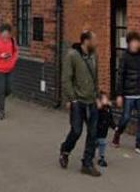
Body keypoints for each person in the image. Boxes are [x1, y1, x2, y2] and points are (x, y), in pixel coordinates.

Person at [59, 30, 100, 177]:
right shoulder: (72, 56)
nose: (97, 43)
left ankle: (87, 163)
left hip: (91, 100)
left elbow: (96, 78)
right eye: (94, 40)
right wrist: (72, 99)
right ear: (86, 41)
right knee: (76, 131)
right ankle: (65, 150)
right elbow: (66, 79)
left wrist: (97, 96)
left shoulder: (94, 56)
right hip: (78, 101)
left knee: (93, 133)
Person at [112, 31, 140, 155]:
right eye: (133, 42)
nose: (135, 45)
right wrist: (119, 95)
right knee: (126, 117)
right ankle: (118, 132)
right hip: (128, 94)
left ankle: (139, 144)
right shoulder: (124, 58)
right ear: (129, 44)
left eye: (137, 42)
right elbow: (120, 76)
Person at [95, 92, 113, 168]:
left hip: (103, 131)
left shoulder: (108, 109)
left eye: (107, 99)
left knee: (102, 143)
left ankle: (101, 158)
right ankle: (89, 154)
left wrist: (114, 127)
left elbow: (110, 119)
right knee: (95, 143)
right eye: (105, 99)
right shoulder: (98, 110)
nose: (107, 100)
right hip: (97, 130)